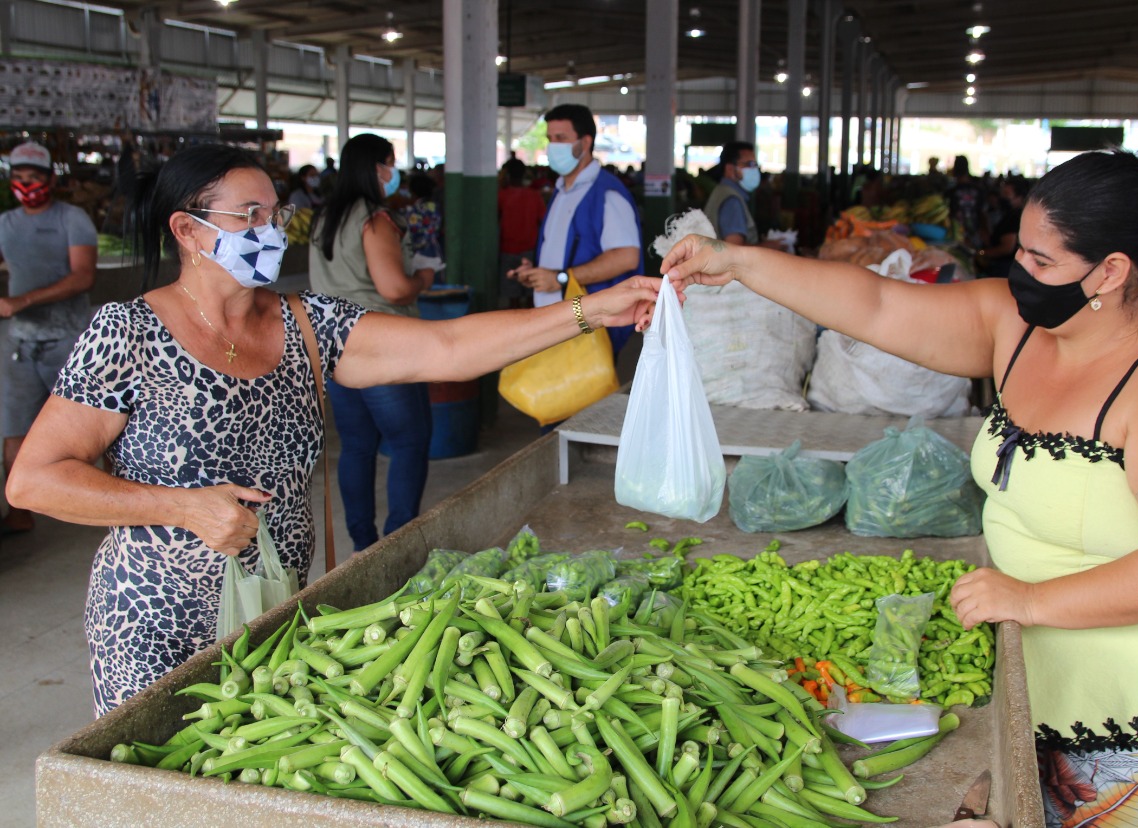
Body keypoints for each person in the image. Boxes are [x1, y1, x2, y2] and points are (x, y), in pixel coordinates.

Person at [661, 142, 1138, 826]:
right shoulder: (1017, 327)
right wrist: (737, 262)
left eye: (1042, 262)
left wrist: (1031, 599)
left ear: (1111, 270)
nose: (1021, 274)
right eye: (1021, 252)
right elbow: (876, 306)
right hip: (1052, 694)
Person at [4, 143, 662, 715]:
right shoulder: (129, 333)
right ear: (188, 230)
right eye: (249, 216)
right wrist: (181, 507)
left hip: (274, 614)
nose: (271, 231)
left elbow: (450, 348)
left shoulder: (306, 324)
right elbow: (34, 481)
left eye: (276, 214)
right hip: (156, 622)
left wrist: (593, 309)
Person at [307, 134, 432, 552]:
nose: (393, 173)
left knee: (357, 446)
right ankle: (396, 544)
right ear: (376, 168)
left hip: (336, 348)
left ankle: (363, 544)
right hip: (382, 346)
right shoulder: (374, 219)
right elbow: (394, 288)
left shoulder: (325, 217)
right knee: (409, 441)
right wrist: (423, 278)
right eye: (390, 163)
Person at [0, 141, 97, 535]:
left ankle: (114, 501)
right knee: (15, 426)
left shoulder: (72, 219)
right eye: (19, 178)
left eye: (34, 177)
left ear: (51, 180)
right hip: (20, 342)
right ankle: (19, 509)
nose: (27, 185)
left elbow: (83, 276)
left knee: (98, 421)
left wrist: (23, 300)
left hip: (69, 339)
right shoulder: (6, 224)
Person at [507, 103, 642, 357]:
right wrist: (537, 273)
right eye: (550, 139)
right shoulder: (561, 190)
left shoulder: (607, 194)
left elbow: (627, 257)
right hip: (552, 322)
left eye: (561, 138)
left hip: (587, 328)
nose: (553, 146)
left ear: (585, 142)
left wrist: (561, 278)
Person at [497, 157, 546, 309]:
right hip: (530, 250)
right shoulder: (534, 195)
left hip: (508, 249)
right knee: (532, 293)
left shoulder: (502, 195)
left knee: (513, 296)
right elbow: (543, 221)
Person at [705, 141, 767, 246]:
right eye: (749, 164)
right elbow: (734, 248)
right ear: (730, 169)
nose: (754, 169)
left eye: (755, 165)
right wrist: (769, 247)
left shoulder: (721, 191)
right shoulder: (732, 201)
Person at [976, 176, 1030, 279]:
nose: (1002, 197)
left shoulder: (1016, 216)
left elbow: (1007, 248)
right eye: (1002, 193)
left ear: (1019, 197)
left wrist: (982, 253)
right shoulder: (1010, 214)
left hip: (1004, 269)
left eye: (1006, 194)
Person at [400, 170, 444, 285]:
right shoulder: (435, 207)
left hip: (419, 254)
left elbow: (411, 233)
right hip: (435, 251)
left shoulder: (413, 212)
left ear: (413, 192)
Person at [948, 155, 986, 251]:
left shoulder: (952, 192)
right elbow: (983, 212)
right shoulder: (978, 190)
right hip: (975, 233)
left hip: (957, 234)